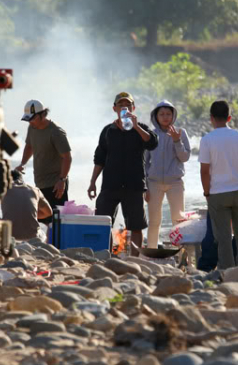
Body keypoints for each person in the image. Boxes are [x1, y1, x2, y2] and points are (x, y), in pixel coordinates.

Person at [88, 92, 158, 256]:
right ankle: (107, 255)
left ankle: (135, 260)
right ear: (115, 109)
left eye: (128, 105)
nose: (124, 108)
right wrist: (92, 182)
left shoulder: (140, 128)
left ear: (133, 109)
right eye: (121, 105)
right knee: (103, 222)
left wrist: (136, 127)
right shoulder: (108, 131)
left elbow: (153, 143)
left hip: (134, 185)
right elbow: (99, 158)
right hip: (110, 184)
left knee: (136, 226)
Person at [199, 100, 238, 269]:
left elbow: (204, 171)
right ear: (229, 117)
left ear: (211, 118)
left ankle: (227, 272)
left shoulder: (207, 140)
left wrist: (207, 192)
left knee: (222, 237)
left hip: (217, 193)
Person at [197, 139, 238, 272]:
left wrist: (208, 194)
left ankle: (206, 268)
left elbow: (206, 171)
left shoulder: (218, 141)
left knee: (216, 228)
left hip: (222, 183)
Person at [16, 99, 72, 225]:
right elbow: (29, 146)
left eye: (32, 118)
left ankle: (56, 244)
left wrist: (62, 180)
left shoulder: (56, 132)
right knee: (44, 220)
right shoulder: (32, 128)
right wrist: (23, 163)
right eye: (28, 119)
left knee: (57, 222)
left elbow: (67, 157)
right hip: (40, 183)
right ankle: (48, 243)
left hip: (56, 184)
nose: (30, 122)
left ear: (43, 114)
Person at [145, 100, 191, 248]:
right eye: (162, 114)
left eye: (168, 114)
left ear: (173, 115)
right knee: (154, 221)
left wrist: (177, 141)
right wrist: (145, 185)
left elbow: (185, 157)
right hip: (153, 183)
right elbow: (144, 162)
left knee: (178, 221)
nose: (165, 117)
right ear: (155, 117)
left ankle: (181, 255)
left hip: (175, 183)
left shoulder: (181, 133)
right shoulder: (150, 135)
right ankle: (151, 250)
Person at [0, 170, 53, 242]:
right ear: (22, 179)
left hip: (10, 237)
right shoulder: (34, 190)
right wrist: (30, 215)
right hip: (33, 237)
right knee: (44, 227)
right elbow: (48, 212)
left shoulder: (2, 190)